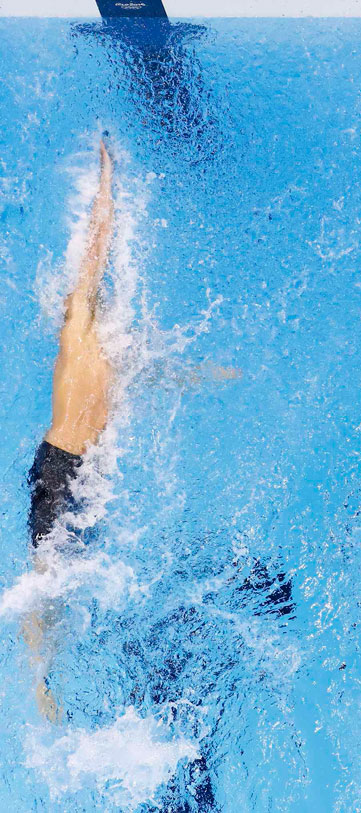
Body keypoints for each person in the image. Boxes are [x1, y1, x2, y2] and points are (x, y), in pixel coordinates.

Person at [22, 140, 117, 722]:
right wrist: (106, 183)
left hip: (83, 476)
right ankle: (36, 681)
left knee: (66, 575)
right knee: (44, 577)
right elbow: (95, 248)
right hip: (59, 464)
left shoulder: (113, 350)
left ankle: (54, 665)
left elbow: (160, 373)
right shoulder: (78, 329)